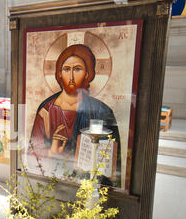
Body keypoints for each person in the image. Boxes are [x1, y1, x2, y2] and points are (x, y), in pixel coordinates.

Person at [29, 44, 121, 185]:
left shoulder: (102, 111)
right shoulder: (46, 110)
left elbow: (111, 163)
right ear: (59, 74)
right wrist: (50, 154)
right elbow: (33, 152)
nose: (71, 76)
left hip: (87, 184)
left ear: (87, 74)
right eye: (66, 69)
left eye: (77, 69)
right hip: (53, 181)